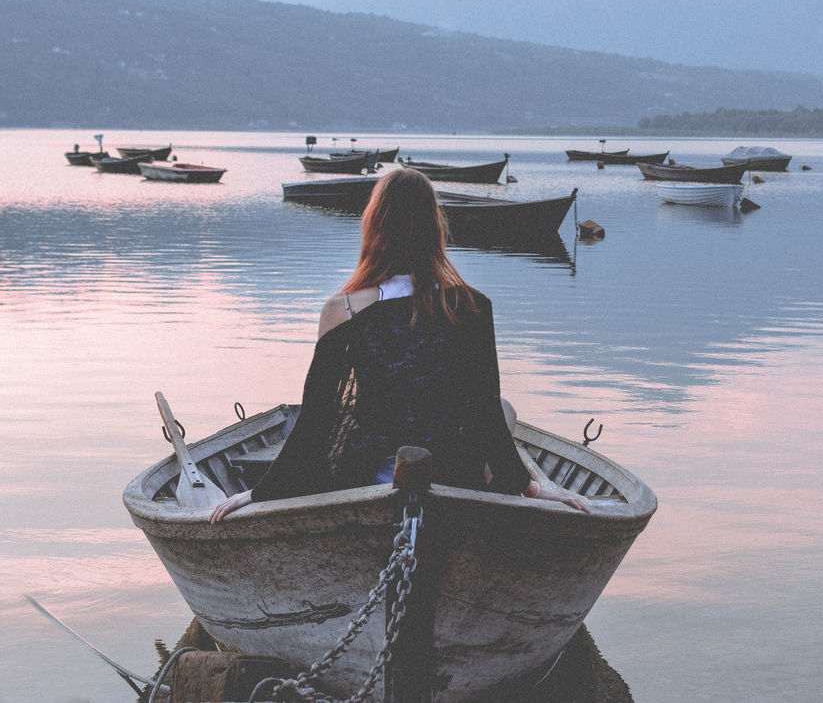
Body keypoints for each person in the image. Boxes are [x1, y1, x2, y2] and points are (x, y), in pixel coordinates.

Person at [210, 169, 588, 522]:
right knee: (504, 409)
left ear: (374, 225)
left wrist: (261, 493)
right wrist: (532, 487)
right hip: (452, 477)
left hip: (368, 476)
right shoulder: (472, 306)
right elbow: (486, 412)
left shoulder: (342, 309)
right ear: (434, 228)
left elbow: (316, 420)